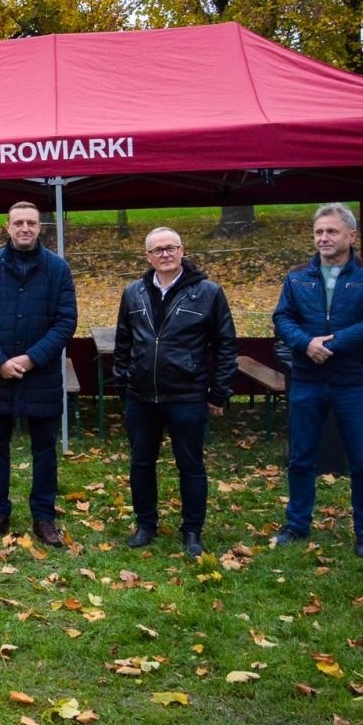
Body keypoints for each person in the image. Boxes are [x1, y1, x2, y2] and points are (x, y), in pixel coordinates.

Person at [272, 203, 363, 558]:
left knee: (361, 460)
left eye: (332, 231)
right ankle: (297, 525)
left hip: (353, 381)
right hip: (307, 379)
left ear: (351, 236)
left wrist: (334, 344)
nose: (324, 238)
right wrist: (304, 343)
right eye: (319, 232)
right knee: (301, 457)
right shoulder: (297, 277)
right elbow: (282, 318)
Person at [111, 227, 238, 557]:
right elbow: (123, 342)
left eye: (171, 248)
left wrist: (218, 393)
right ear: (147, 257)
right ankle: (145, 525)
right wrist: (123, 383)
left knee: (191, 465)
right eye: (158, 250)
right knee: (141, 464)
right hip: (141, 396)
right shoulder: (133, 293)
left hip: (187, 395)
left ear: (182, 251)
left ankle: (192, 531)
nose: (165, 254)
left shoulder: (208, 293)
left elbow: (225, 345)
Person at [0, 201, 78, 547]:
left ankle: (43, 516)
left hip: (40, 375)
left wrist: (32, 358)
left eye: (31, 222)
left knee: (44, 448)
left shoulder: (58, 269)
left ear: (40, 227)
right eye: (19, 223)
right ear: (8, 227)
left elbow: (66, 322)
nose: (25, 228)